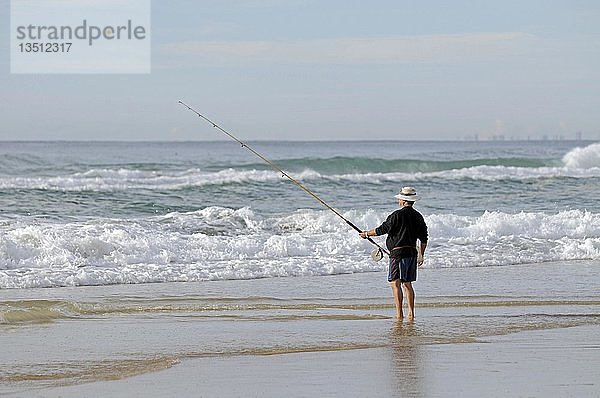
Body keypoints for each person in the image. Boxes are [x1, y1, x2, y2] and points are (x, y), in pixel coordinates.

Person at [360, 187, 428, 320]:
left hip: (397, 254)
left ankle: (399, 314)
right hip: (411, 253)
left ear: (403, 200)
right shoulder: (418, 216)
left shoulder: (396, 215)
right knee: (407, 284)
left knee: (395, 283)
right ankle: (411, 313)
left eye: (399, 199)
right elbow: (424, 238)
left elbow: (382, 229)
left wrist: (366, 233)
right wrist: (421, 255)